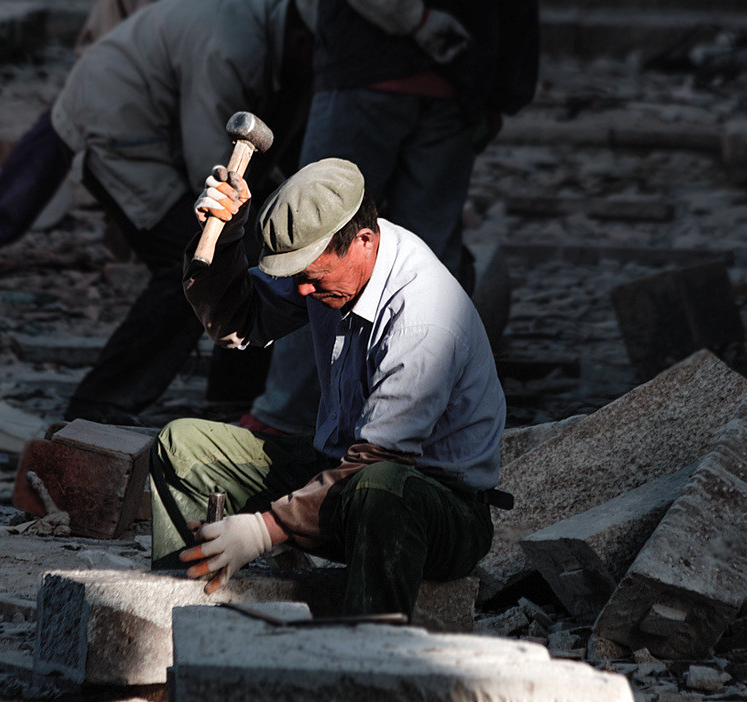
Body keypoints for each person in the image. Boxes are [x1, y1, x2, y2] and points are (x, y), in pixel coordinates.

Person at [150, 158, 508, 617]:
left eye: (312, 279)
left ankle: (362, 662)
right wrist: (224, 239)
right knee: (182, 448)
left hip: (435, 510)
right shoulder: (327, 271)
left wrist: (263, 530)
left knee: (381, 490)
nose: (302, 292)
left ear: (363, 240)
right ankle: (176, 619)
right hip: (340, 474)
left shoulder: (424, 317)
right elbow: (237, 322)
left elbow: (377, 462)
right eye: (296, 278)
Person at [0, 0, 314, 424]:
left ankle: (235, 395)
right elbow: (208, 163)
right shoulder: (229, 46)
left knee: (243, 252)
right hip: (117, 118)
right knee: (193, 264)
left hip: (151, 115)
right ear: (301, 35)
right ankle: (99, 408)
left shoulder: (280, 43)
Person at [240, 0, 539, 436]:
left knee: (312, 240)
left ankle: (287, 418)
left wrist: (416, 21)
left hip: (366, 67)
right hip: (456, 77)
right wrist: (502, 88)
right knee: (428, 258)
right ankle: (422, 418)